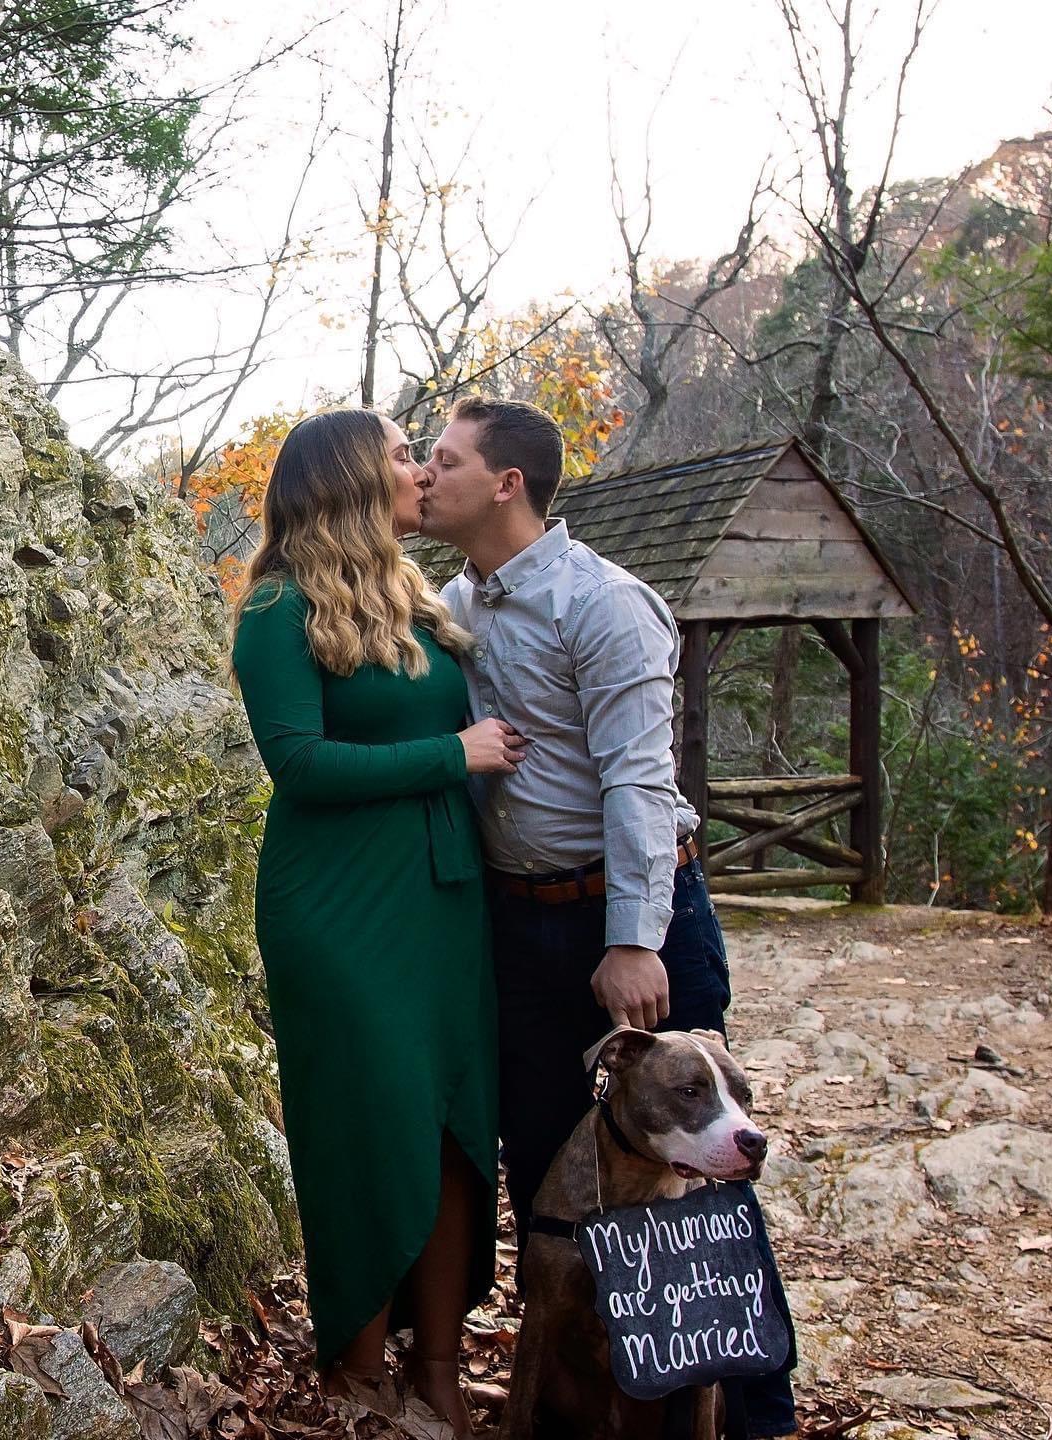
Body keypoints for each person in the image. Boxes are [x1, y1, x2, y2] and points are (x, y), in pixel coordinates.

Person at [418, 396, 799, 1440]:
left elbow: (639, 778)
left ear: (506, 485)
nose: (422, 476)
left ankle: (756, 1417)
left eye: (442, 461)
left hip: (631, 914)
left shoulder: (606, 603)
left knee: (701, 1183)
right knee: (554, 1180)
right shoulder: (455, 601)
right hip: (519, 927)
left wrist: (633, 939)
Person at [230, 407, 526, 1436]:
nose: (420, 469)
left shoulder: (422, 600)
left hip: (445, 903)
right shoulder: (275, 609)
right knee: (367, 1123)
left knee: (454, 1130)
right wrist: (457, 755)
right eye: (404, 455)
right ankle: (359, 1368)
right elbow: (300, 766)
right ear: (352, 478)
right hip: (341, 913)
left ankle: (439, 1370)